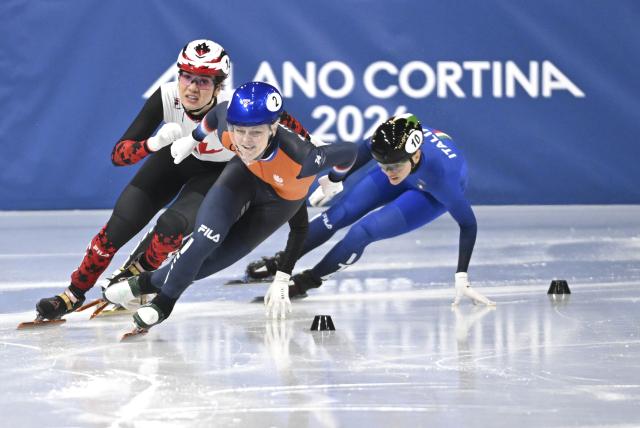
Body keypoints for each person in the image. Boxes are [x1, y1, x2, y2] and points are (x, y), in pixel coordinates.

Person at [33, 40, 309, 323]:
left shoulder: (237, 111)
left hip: (216, 174)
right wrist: (153, 143)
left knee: (172, 226)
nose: (191, 87)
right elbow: (118, 155)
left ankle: (134, 280)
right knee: (115, 229)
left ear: (218, 87)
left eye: (202, 81)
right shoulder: (166, 97)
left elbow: (290, 130)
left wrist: (316, 157)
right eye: (186, 76)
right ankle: (72, 293)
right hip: (173, 159)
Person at [104, 81, 358, 330]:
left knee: (211, 264)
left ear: (273, 128)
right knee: (204, 240)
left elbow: (349, 153)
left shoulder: (303, 159)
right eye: (240, 130)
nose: (246, 141)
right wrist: (194, 139)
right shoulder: (228, 129)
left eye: (256, 132)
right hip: (243, 177)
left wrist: (333, 180)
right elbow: (216, 113)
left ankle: (143, 284)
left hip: (279, 203)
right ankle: (163, 305)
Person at [244, 114, 495, 306]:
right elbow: (360, 153)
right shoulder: (391, 146)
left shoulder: (443, 181)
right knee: (339, 214)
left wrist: (461, 275)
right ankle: (282, 262)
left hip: (428, 193)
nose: (388, 173)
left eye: (393, 167)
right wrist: (334, 179)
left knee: (362, 232)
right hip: (411, 168)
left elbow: (468, 224)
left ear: (415, 157)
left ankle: (306, 282)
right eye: (383, 166)